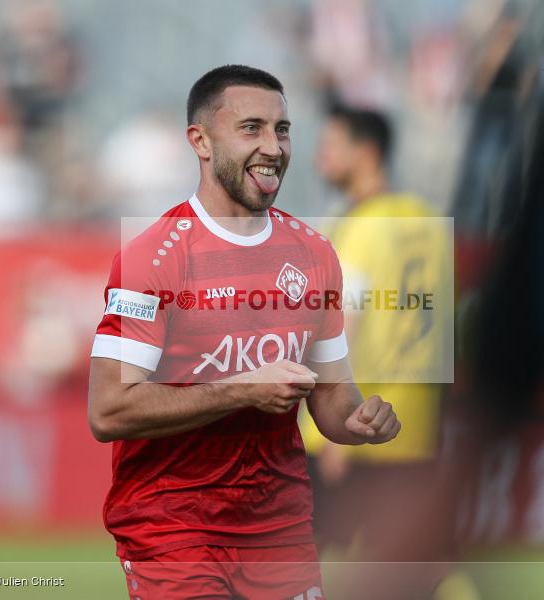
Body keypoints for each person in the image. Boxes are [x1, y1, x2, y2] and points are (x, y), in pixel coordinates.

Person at [87, 65, 401, 600]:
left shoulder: (315, 254)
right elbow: (108, 410)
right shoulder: (152, 258)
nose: (273, 147)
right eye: (251, 128)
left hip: (279, 529)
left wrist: (361, 418)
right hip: (173, 526)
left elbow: (331, 399)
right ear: (201, 142)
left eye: (282, 130)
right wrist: (240, 389)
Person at [300, 104, 450, 593]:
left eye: (332, 145)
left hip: (354, 424)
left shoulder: (361, 226)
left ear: (366, 153)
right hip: (416, 425)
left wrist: (341, 422)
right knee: (415, 568)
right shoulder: (427, 221)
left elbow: (350, 324)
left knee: (292, 559)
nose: (321, 156)